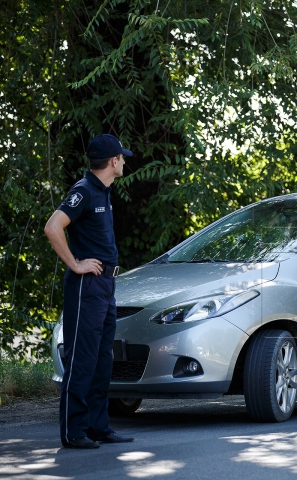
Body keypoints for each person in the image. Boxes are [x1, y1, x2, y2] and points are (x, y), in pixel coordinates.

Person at [44, 134, 135, 448]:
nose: (124, 161)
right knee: (82, 359)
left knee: (101, 359)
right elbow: (53, 227)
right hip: (86, 287)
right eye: (121, 157)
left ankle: (98, 426)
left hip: (105, 286)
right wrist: (75, 264)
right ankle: (73, 431)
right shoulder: (83, 192)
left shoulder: (104, 192)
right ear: (112, 161)